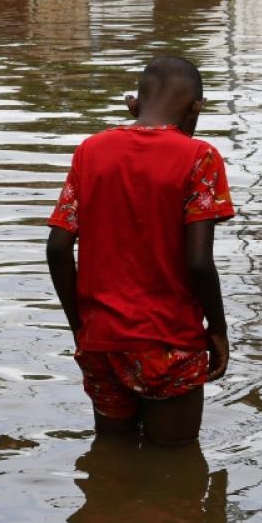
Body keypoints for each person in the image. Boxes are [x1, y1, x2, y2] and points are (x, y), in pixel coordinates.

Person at [45, 56, 235, 443]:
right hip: (169, 343)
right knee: (174, 471)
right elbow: (199, 262)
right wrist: (217, 330)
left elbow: (58, 248)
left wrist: (80, 326)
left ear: (133, 104)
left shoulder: (90, 152)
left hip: (100, 343)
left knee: (112, 460)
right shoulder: (200, 158)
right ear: (197, 106)